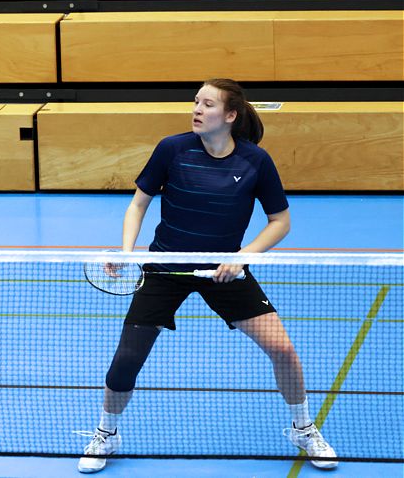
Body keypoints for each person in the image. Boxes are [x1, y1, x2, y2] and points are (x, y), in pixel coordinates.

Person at [78, 79, 337, 472]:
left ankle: (303, 429)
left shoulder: (255, 161)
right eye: (196, 102)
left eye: (208, 104)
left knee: (283, 350)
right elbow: (138, 204)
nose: (197, 109)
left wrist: (242, 258)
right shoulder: (172, 149)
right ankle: (106, 434)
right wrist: (128, 252)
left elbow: (280, 221)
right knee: (127, 358)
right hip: (166, 268)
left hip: (223, 270)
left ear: (230, 115)